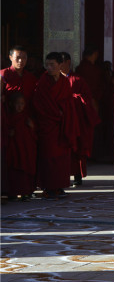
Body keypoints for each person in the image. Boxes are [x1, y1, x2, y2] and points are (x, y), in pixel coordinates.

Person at [32, 52, 77, 200]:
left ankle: (58, 186)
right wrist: (56, 113)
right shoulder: (43, 81)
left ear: (60, 65)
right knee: (49, 156)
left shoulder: (64, 82)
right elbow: (39, 103)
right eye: (47, 64)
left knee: (62, 158)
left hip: (63, 124)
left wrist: (63, 111)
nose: (49, 68)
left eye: (52, 65)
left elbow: (69, 102)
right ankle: (48, 187)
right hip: (48, 125)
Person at [60, 52, 100, 187]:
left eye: (62, 63)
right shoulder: (52, 79)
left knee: (77, 149)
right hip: (59, 120)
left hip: (76, 120)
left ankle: (77, 176)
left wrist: (73, 99)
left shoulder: (77, 80)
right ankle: (61, 177)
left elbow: (87, 99)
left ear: (68, 63)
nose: (59, 66)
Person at [2, 92, 37, 201]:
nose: (20, 106)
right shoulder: (9, 118)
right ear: (12, 104)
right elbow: (5, 130)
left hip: (26, 149)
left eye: (22, 104)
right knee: (14, 171)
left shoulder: (26, 117)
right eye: (17, 104)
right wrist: (9, 133)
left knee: (25, 171)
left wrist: (32, 127)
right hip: (14, 150)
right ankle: (13, 192)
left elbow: (34, 135)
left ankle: (25, 192)